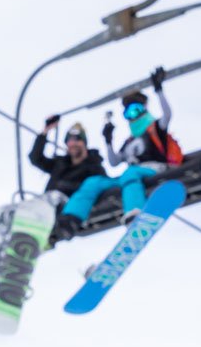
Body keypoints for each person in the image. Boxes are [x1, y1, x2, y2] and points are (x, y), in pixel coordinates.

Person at [62, 66, 185, 226]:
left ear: (144, 109)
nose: (133, 116)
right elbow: (114, 162)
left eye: (136, 110)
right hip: (130, 176)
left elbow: (167, 115)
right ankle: (71, 218)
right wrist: (108, 140)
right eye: (128, 113)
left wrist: (159, 90)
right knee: (93, 182)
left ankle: (135, 212)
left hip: (155, 168)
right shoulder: (128, 142)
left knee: (130, 173)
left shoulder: (155, 129)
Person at [30, 114, 105, 245]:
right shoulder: (60, 164)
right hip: (48, 206)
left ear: (84, 143)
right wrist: (46, 131)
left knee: (55, 198)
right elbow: (36, 158)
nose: (72, 143)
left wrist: (67, 187)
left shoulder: (93, 166)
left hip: (70, 207)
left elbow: (98, 187)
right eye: (69, 141)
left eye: (77, 140)